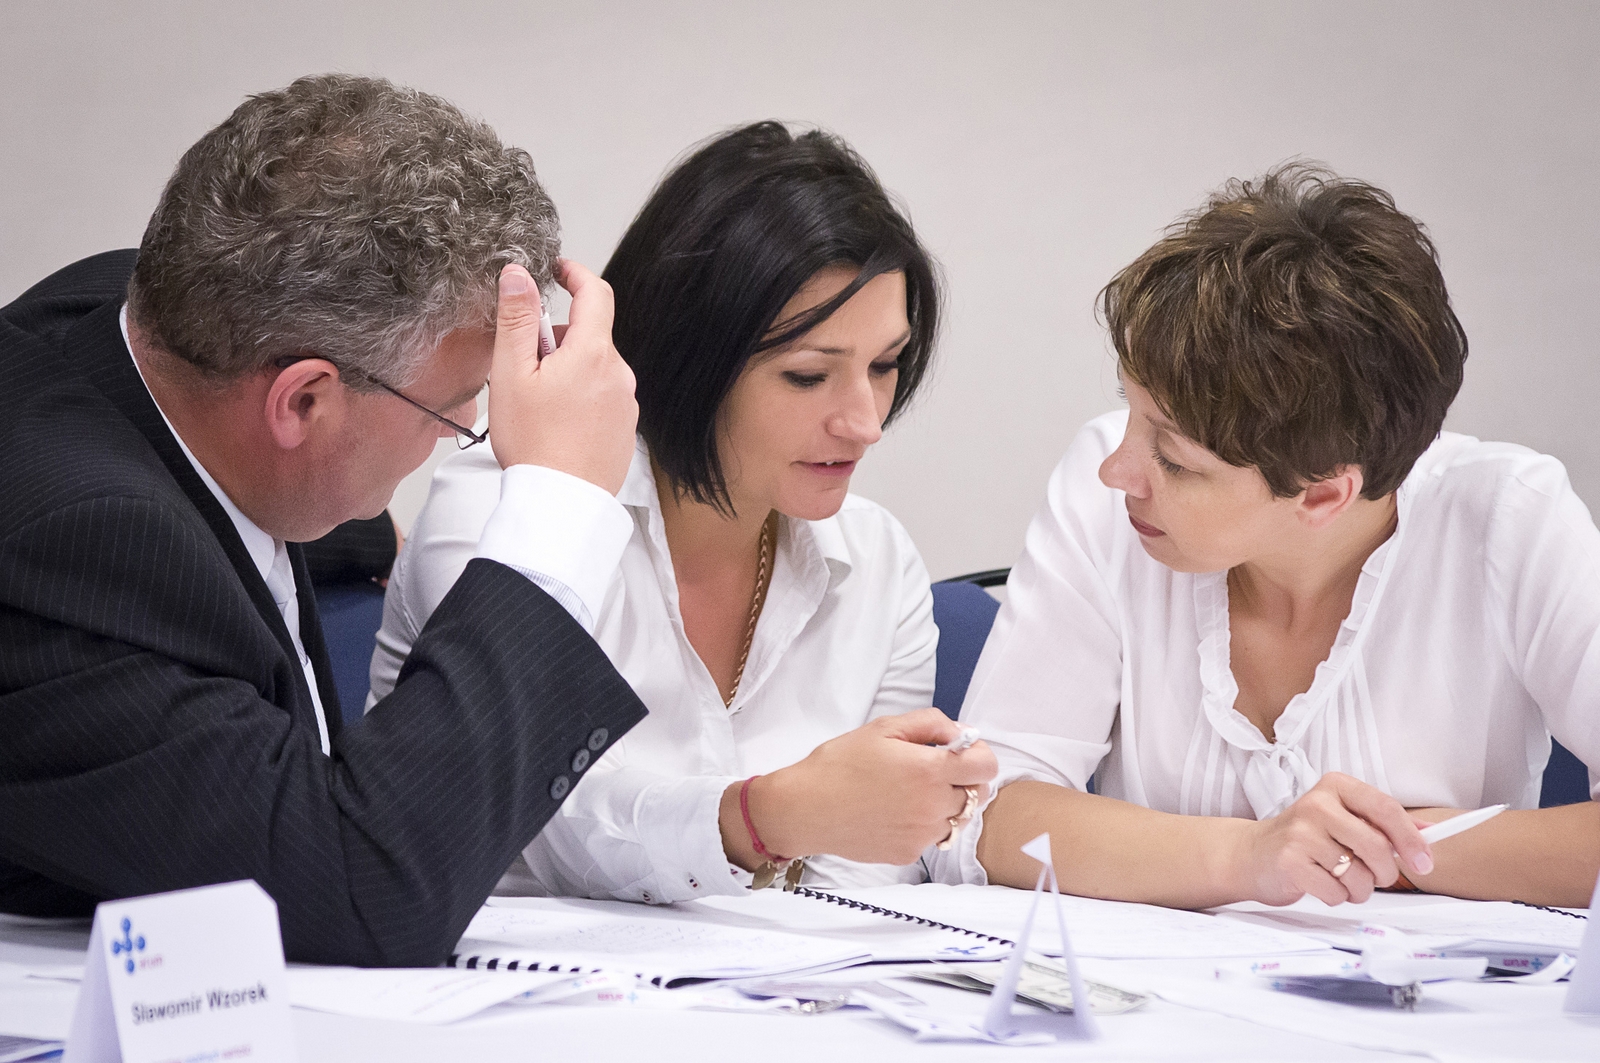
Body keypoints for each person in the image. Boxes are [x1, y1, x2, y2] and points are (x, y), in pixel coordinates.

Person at [0, 74, 650, 966]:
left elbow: (217, 477)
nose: (452, 440)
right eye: (457, 410)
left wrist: (362, 529)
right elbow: (363, 891)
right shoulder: (70, 553)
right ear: (303, 401)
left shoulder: (136, 320)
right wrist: (561, 499)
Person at [937, 164, 1600, 910]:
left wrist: (1392, 852)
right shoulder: (1108, 511)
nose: (1117, 471)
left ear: (1322, 493)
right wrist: (1251, 856)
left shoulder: (1509, 520)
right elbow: (979, 815)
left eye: (1177, 460)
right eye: (1131, 411)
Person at [370, 122, 997, 902]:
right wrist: (775, 816)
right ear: (688, 357)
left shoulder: (878, 560)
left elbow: (867, 879)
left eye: (885, 365)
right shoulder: (512, 504)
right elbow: (562, 826)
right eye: (808, 375)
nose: (865, 421)